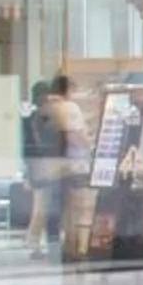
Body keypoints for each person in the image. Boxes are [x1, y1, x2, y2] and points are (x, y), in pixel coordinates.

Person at [38, 74, 88, 259]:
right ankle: (71, 248)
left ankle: (53, 246)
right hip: (72, 164)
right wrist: (87, 149)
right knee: (74, 209)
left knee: (54, 207)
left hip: (49, 165)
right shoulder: (70, 108)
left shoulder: (45, 108)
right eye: (73, 89)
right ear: (67, 90)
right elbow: (75, 135)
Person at [20, 80, 62, 254]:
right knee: (42, 207)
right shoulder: (40, 118)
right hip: (43, 167)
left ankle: (35, 240)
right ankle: (33, 241)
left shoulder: (31, 117)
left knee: (43, 206)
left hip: (39, 167)